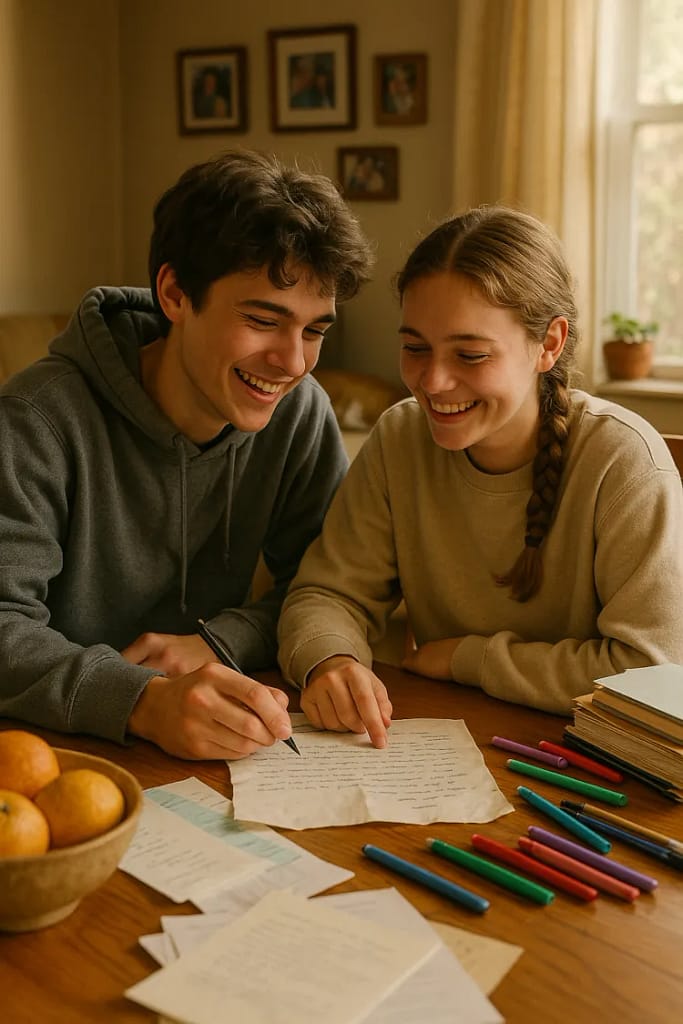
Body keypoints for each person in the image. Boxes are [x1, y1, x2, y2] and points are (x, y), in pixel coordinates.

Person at [0, 149, 373, 760]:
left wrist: (219, 640)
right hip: (51, 754)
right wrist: (142, 699)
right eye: (262, 319)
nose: (293, 363)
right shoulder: (34, 420)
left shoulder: (300, 411)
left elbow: (325, 584)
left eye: (314, 331)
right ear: (174, 294)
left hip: (216, 751)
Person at [277, 205, 683, 749]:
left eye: (470, 354)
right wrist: (331, 658)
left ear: (550, 344)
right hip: (455, 745)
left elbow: (648, 673)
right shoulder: (400, 437)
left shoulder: (622, 461)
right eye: (415, 348)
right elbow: (327, 592)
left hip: (591, 762)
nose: (434, 381)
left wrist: (475, 658)